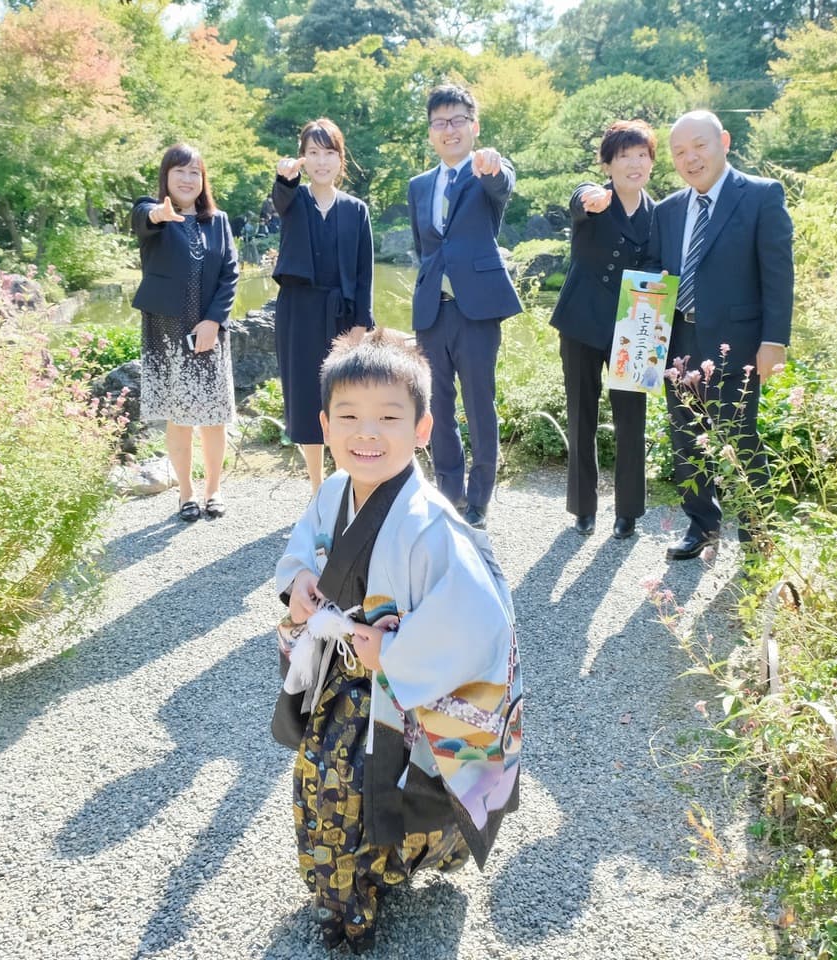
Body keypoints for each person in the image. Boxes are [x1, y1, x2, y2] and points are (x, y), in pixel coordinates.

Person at [274, 328, 522, 952]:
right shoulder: (332, 492)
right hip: (344, 680)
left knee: (389, 790)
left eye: (389, 417)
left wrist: (398, 651)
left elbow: (479, 619)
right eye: (350, 417)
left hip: (402, 690)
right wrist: (301, 580)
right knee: (327, 789)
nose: (368, 433)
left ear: (422, 427)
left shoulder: (431, 522)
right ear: (325, 426)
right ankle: (346, 901)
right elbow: (302, 552)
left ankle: (400, 866)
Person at [648, 110, 794, 559]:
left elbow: (777, 273)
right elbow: (658, 276)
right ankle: (702, 527)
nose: (690, 158)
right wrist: (643, 344)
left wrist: (775, 340)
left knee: (740, 439)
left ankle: (758, 537)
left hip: (738, 344)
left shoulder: (760, 196)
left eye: (699, 146)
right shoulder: (669, 209)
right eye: (679, 152)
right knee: (686, 440)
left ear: (724, 142)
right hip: (678, 343)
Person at [407, 83, 522, 529]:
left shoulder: (487, 171)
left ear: (473, 127)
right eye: (440, 123)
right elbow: (424, 247)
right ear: (431, 132)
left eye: (457, 121)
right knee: (436, 404)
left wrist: (492, 164)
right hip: (432, 309)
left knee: (480, 402)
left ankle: (479, 497)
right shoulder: (419, 186)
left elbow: (502, 183)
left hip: (477, 308)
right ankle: (448, 491)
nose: (449, 129)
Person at [549, 120, 659, 539]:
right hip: (580, 320)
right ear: (608, 163)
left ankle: (628, 510)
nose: (634, 164)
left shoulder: (659, 212)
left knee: (632, 418)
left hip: (635, 327)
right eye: (624, 156)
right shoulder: (594, 198)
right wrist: (588, 199)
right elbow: (580, 199)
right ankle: (583, 507)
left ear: (651, 162)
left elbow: (659, 264)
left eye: (642, 155)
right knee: (581, 415)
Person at [131, 144, 240, 522]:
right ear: (166, 176)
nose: (188, 178)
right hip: (167, 330)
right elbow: (146, 217)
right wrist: (161, 214)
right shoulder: (151, 213)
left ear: (203, 179)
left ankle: (213, 489)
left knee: (213, 417)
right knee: (179, 416)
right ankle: (186, 493)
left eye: (195, 172)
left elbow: (230, 274)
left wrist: (213, 321)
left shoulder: (219, 221)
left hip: (209, 331)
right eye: (180, 171)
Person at [270, 118, 375, 496]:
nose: (321, 161)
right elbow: (280, 197)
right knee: (305, 397)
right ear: (302, 159)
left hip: (342, 315)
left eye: (329, 153)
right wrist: (285, 178)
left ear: (340, 159)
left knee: (345, 398)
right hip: (299, 312)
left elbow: (365, 272)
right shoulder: (293, 201)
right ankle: (316, 486)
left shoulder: (356, 209)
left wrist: (362, 326)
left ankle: (347, 480)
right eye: (312, 153)